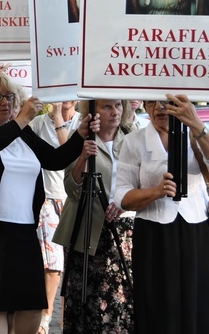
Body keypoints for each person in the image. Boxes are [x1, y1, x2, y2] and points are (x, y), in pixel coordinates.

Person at [0, 72, 96, 334]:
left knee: (32, 304)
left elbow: (55, 160)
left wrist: (80, 134)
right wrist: (22, 119)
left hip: (23, 230)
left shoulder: (23, 134)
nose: (5, 103)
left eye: (10, 97)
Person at [114, 95, 209, 333]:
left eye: (166, 102)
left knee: (195, 301)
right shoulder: (134, 142)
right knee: (158, 305)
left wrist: (196, 125)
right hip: (154, 232)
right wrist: (155, 192)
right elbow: (122, 196)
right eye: (151, 102)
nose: (159, 108)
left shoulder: (195, 135)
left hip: (195, 229)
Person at [53, 99, 135, 333]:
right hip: (85, 230)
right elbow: (71, 188)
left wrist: (123, 202)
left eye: (118, 105)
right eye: (106, 107)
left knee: (119, 299)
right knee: (84, 298)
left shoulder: (131, 138)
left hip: (122, 229)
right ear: (91, 112)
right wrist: (82, 159)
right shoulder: (80, 138)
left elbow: (142, 181)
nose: (114, 112)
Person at [29, 101, 80, 334]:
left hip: (75, 199)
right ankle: (45, 319)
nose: (66, 99)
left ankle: (65, 317)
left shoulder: (82, 122)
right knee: (52, 264)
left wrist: (60, 116)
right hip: (47, 199)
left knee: (70, 265)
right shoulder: (39, 122)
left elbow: (68, 152)